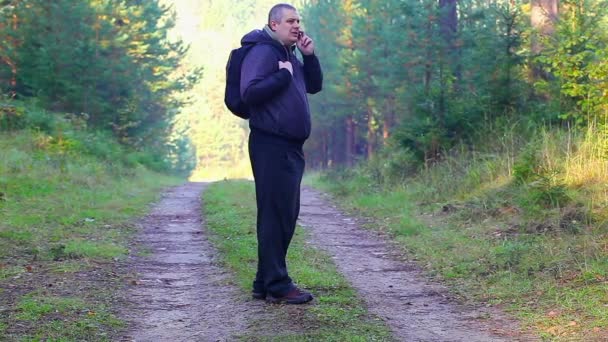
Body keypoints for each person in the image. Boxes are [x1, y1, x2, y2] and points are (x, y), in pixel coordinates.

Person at [240, 3, 323, 304]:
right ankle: (277, 283)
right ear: (274, 24)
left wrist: (309, 56)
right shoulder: (263, 52)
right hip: (270, 144)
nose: (297, 25)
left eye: (298, 20)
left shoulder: (289, 55)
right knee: (278, 215)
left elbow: (314, 86)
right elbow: (249, 92)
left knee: (283, 214)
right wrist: (282, 77)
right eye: (290, 21)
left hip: (289, 147)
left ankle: (264, 282)